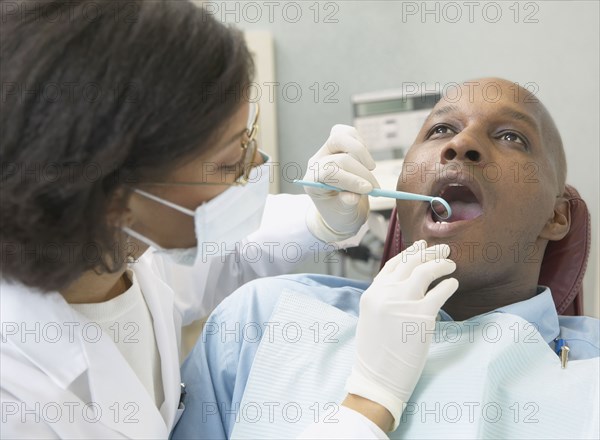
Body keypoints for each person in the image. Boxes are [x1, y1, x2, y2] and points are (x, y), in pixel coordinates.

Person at [0, 1, 387, 437]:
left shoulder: (122, 250)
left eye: (248, 139)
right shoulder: (14, 393)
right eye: (228, 162)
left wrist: (321, 221)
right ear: (112, 194)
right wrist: (365, 410)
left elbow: (226, 254)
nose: (254, 163)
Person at [171, 78, 600, 439]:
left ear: (557, 215)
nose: (462, 144)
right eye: (440, 130)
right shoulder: (260, 319)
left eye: (511, 137)